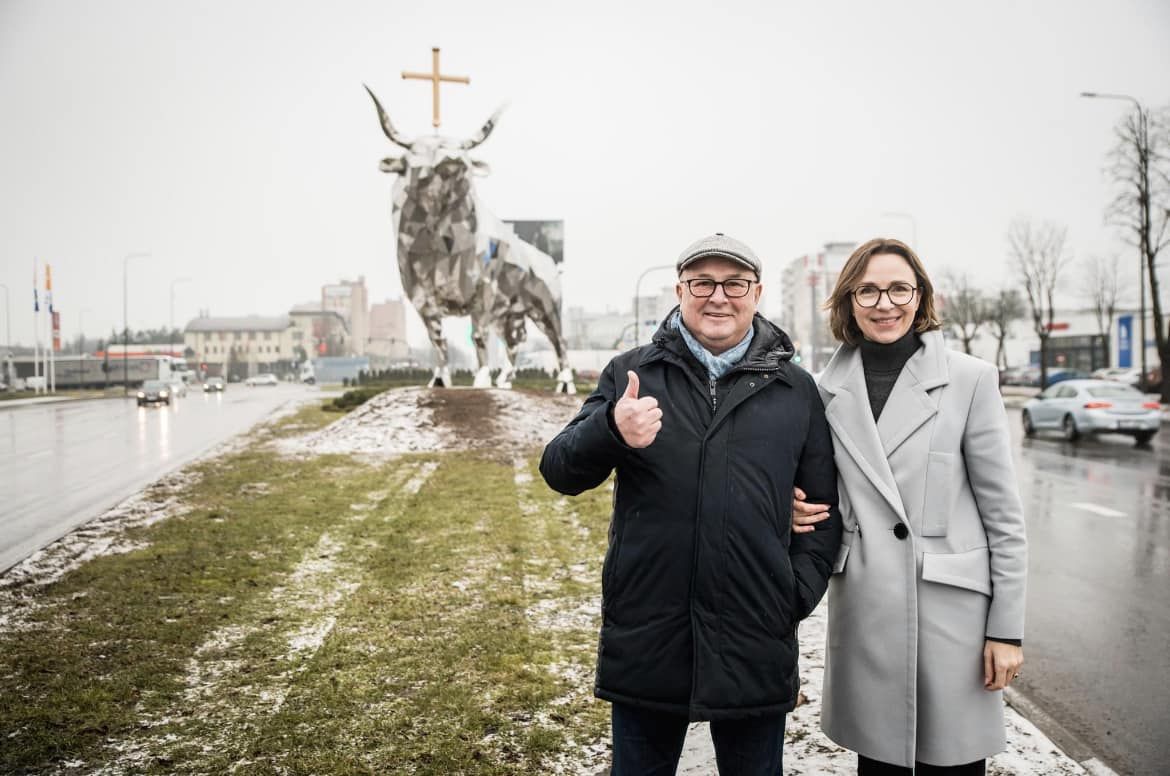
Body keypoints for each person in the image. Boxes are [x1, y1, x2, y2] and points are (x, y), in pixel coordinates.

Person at [540, 233, 842, 775]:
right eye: (702, 283)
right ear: (680, 290)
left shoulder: (796, 390)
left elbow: (822, 512)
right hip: (649, 637)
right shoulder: (632, 375)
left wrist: (789, 594)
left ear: (757, 293)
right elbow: (559, 470)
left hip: (755, 639)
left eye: (735, 284)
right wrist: (610, 429)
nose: (718, 297)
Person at [792, 238, 1027, 775]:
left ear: (920, 296)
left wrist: (1007, 630)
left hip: (953, 619)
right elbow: (813, 486)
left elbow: (1005, 520)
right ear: (849, 301)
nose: (885, 304)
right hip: (868, 612)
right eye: (868, 290)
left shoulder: (970, 379)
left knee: (953, 762)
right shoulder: (821, 391)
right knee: (880, 763)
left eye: (899, 288)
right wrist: (791, 505)